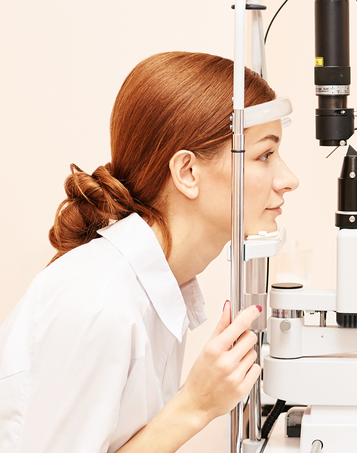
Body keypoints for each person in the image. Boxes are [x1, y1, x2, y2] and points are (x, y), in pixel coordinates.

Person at [0, 51, 299, 452]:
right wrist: (194, 406)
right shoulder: (99, 304)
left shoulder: (156, 288)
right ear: (187, 172)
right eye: (264, 154)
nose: (289, 179)